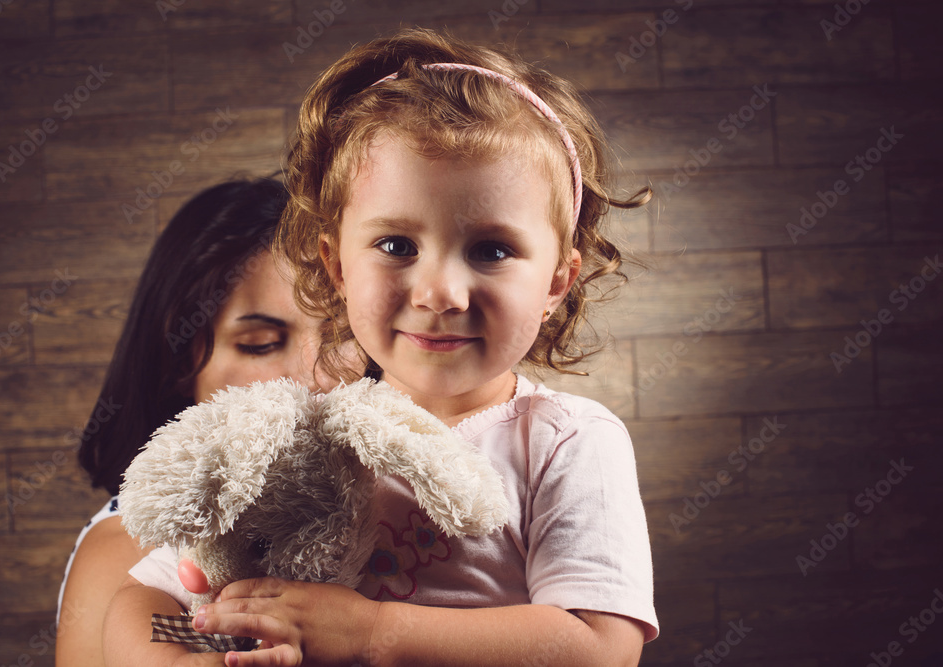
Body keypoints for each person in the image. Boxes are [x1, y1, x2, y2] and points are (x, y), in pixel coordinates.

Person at [105, 28, 658, 667]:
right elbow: (140, 601)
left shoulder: (566, 442)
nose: (441, 292)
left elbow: (600, 646)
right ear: (336, 265)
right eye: (397, 245)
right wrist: (191, 654)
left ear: (557, 281)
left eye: (492, 250)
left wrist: (374, 633)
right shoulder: (297, 439)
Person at [55, 178, 329, 666]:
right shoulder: (133, 549)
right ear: (181, 360)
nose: (313, 376)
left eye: (339, 335)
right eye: (262, 343)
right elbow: (177, 636)